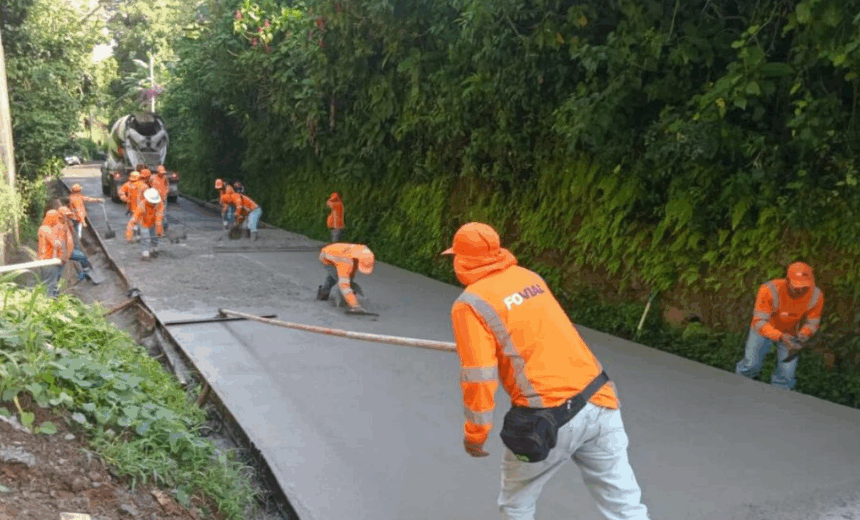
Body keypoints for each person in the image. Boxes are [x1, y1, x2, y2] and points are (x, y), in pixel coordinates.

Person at [443, 222, 650, 520]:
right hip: (600, 399)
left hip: (547, 419)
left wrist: (475, 434)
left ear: (461, 259)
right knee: (625, 507)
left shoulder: (470, 304)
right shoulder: (529, 277)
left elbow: (479, 377)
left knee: (516, 505)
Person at [735, 261, 824, 390]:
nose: (801, 290)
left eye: (805, 286)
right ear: (787, 281)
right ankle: (739, 389)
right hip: (763, 330)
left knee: (787, 374)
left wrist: (803, 335)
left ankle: (779, 398)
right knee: (751, 365)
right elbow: (759, 321)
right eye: (797, 286)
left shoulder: (816, 295)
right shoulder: (769, 289)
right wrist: (781, 336)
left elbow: (812, 323)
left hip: (791, 332)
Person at [316, 243, 374, 313]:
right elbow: (344, 285)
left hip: (336, 254)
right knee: (338, 278)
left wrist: (350, 279)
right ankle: (344, 301)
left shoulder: (364, 252)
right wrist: (355, 306)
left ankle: (323, 293)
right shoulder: (346, 262)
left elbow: (353, 267)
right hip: (326, 258)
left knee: (334, 277)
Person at [127, 188, 164, 261]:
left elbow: (159, 217)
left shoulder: (160, 204)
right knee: (145, 238)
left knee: (154, 237)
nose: (154, 204)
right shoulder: (142, 205)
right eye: (152, 203)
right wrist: (129, 233)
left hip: (153, 222)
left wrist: (159, 229)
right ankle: (145, 253)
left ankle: (154, 249)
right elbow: (134, 219)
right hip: (143, 223)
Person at [58, 206, 93, 282]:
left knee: (81, 256)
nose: (68, 217)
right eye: (66, 215)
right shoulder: (59, 227)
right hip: (65, 251)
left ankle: (85, 273)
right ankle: (82, 276)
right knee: (81, 256)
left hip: (70, 248)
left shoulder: (66, 222)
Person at [38, 209, 66, 297]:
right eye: (56, 218)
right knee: (50, 284)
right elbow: (56, 243)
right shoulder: (46, 229)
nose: (57, 221)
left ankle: (50, 299)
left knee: (48, 283)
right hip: (48, 260)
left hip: (47, 260)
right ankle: (49, 301)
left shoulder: (45, 228)